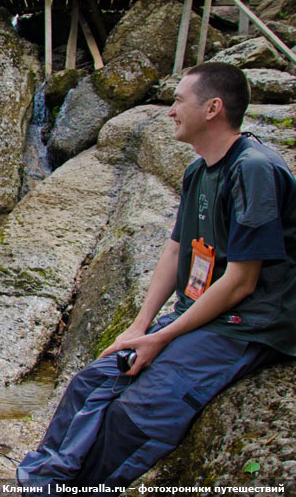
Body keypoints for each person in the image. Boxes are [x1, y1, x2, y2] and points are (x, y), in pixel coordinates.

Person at [17, 62, 296, 493]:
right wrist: (141, 326)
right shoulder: (198, 170)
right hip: (202, 313)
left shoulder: (253, 169)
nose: (169, 111)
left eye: (179, 100)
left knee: (135, 413)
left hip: (253, 322)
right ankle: (42, 480)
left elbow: (242, 281)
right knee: (90, 381)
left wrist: (162, 339)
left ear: (213, 108)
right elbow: (175, 249)